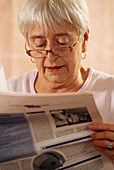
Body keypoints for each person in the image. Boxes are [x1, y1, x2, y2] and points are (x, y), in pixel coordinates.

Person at [7, 0, 114, 160]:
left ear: (84, 40)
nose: (50, 55)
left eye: (62, 42)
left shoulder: (110, 91)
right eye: (39, 44)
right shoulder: (8, 91)